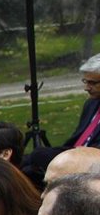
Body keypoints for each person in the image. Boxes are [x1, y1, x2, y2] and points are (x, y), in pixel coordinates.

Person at [22, 54, 100, 185]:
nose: (86, 87)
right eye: (85, 81)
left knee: (38, 155)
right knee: (24, 167)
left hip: (90, 161)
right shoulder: (91, 104)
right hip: (74, 152)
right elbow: (77, 138)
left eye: (92, 83)